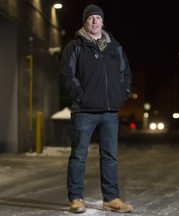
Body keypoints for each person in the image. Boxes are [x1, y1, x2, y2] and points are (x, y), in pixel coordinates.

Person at [59, 4, 133, 214]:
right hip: (84, 112)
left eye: (98, 18)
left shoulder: (115, 47)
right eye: (90, 18)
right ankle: (75, 199)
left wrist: (123, 93)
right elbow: (66, 75)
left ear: (102, 22)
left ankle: (111, 198)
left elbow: (125, 73)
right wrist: (81, 96)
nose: (94, 21)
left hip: (109, 112)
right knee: (79, 156)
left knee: (110, 156)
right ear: (85, 22)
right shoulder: (75, 47)